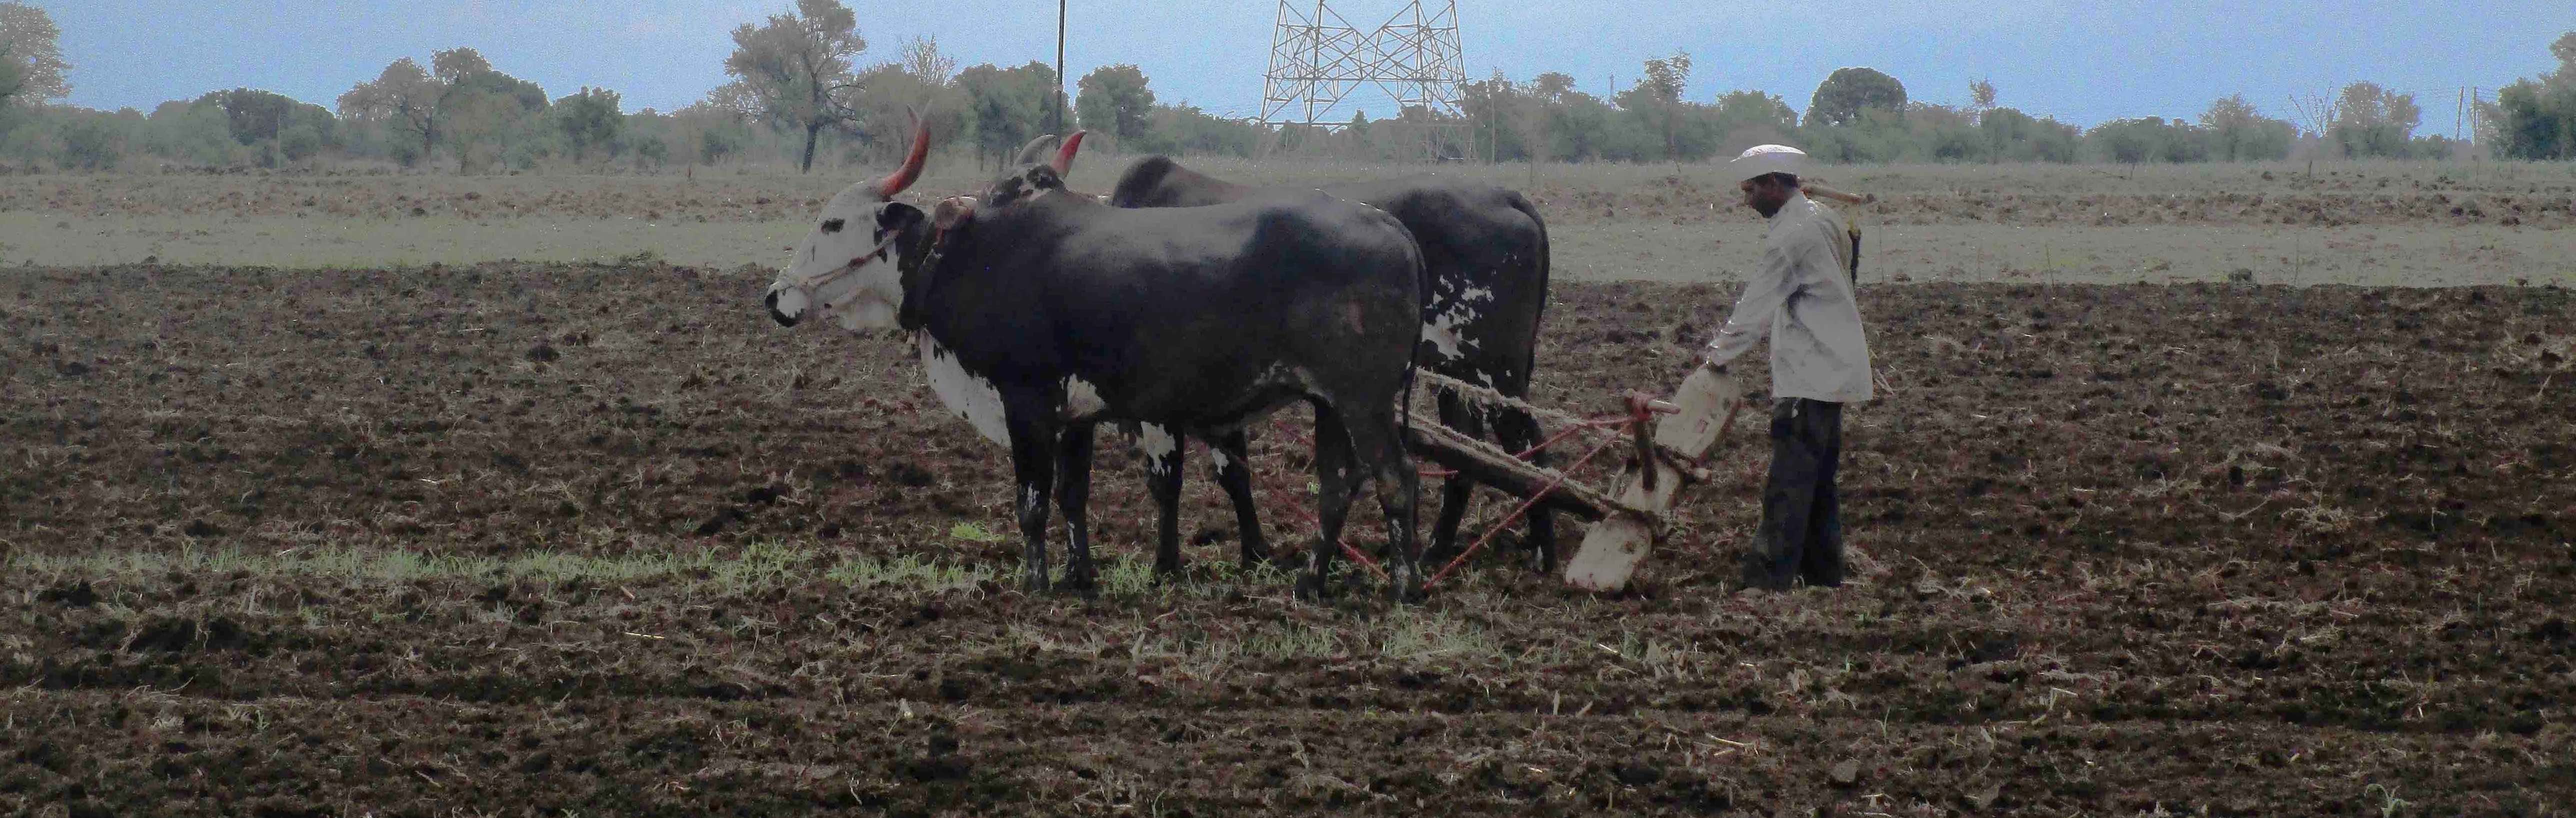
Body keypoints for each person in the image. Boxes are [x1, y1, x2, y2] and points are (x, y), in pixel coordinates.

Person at [1696, 144, 1875, 590]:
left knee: (1789, 482)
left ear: (1775, 184)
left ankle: (1766, 580)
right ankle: (1824, 575)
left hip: (1810, 372)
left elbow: (1754, 308)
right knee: (1818, 483)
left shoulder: (1793, 236)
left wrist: (1716, 358)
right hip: (1833, 367)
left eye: (1752, 190)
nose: (1747, 200)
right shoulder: (1825, 218)